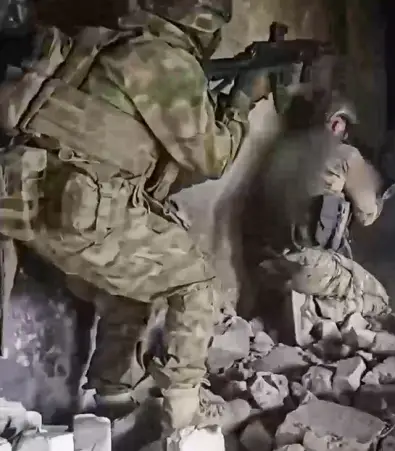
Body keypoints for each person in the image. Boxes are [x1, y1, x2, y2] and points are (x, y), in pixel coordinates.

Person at [0, 0, 271, 435]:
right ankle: (185, 421)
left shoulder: (101, 39)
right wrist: (242, 100)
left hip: (20, 199)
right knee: (194, 285)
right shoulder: (169, 62)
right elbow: (213, 157)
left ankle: (110, 402)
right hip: (80, 215)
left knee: (132, 291)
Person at [244, 91, 394, 326]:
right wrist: (379, 194)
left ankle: (292, 308)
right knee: (379, 299)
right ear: (336, 122)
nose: (346, 135)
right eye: (345, 127)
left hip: (263, 266)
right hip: (307, 265)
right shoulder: (346, 154)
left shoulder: (278, 151)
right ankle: (311, 311)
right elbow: (367, 215)